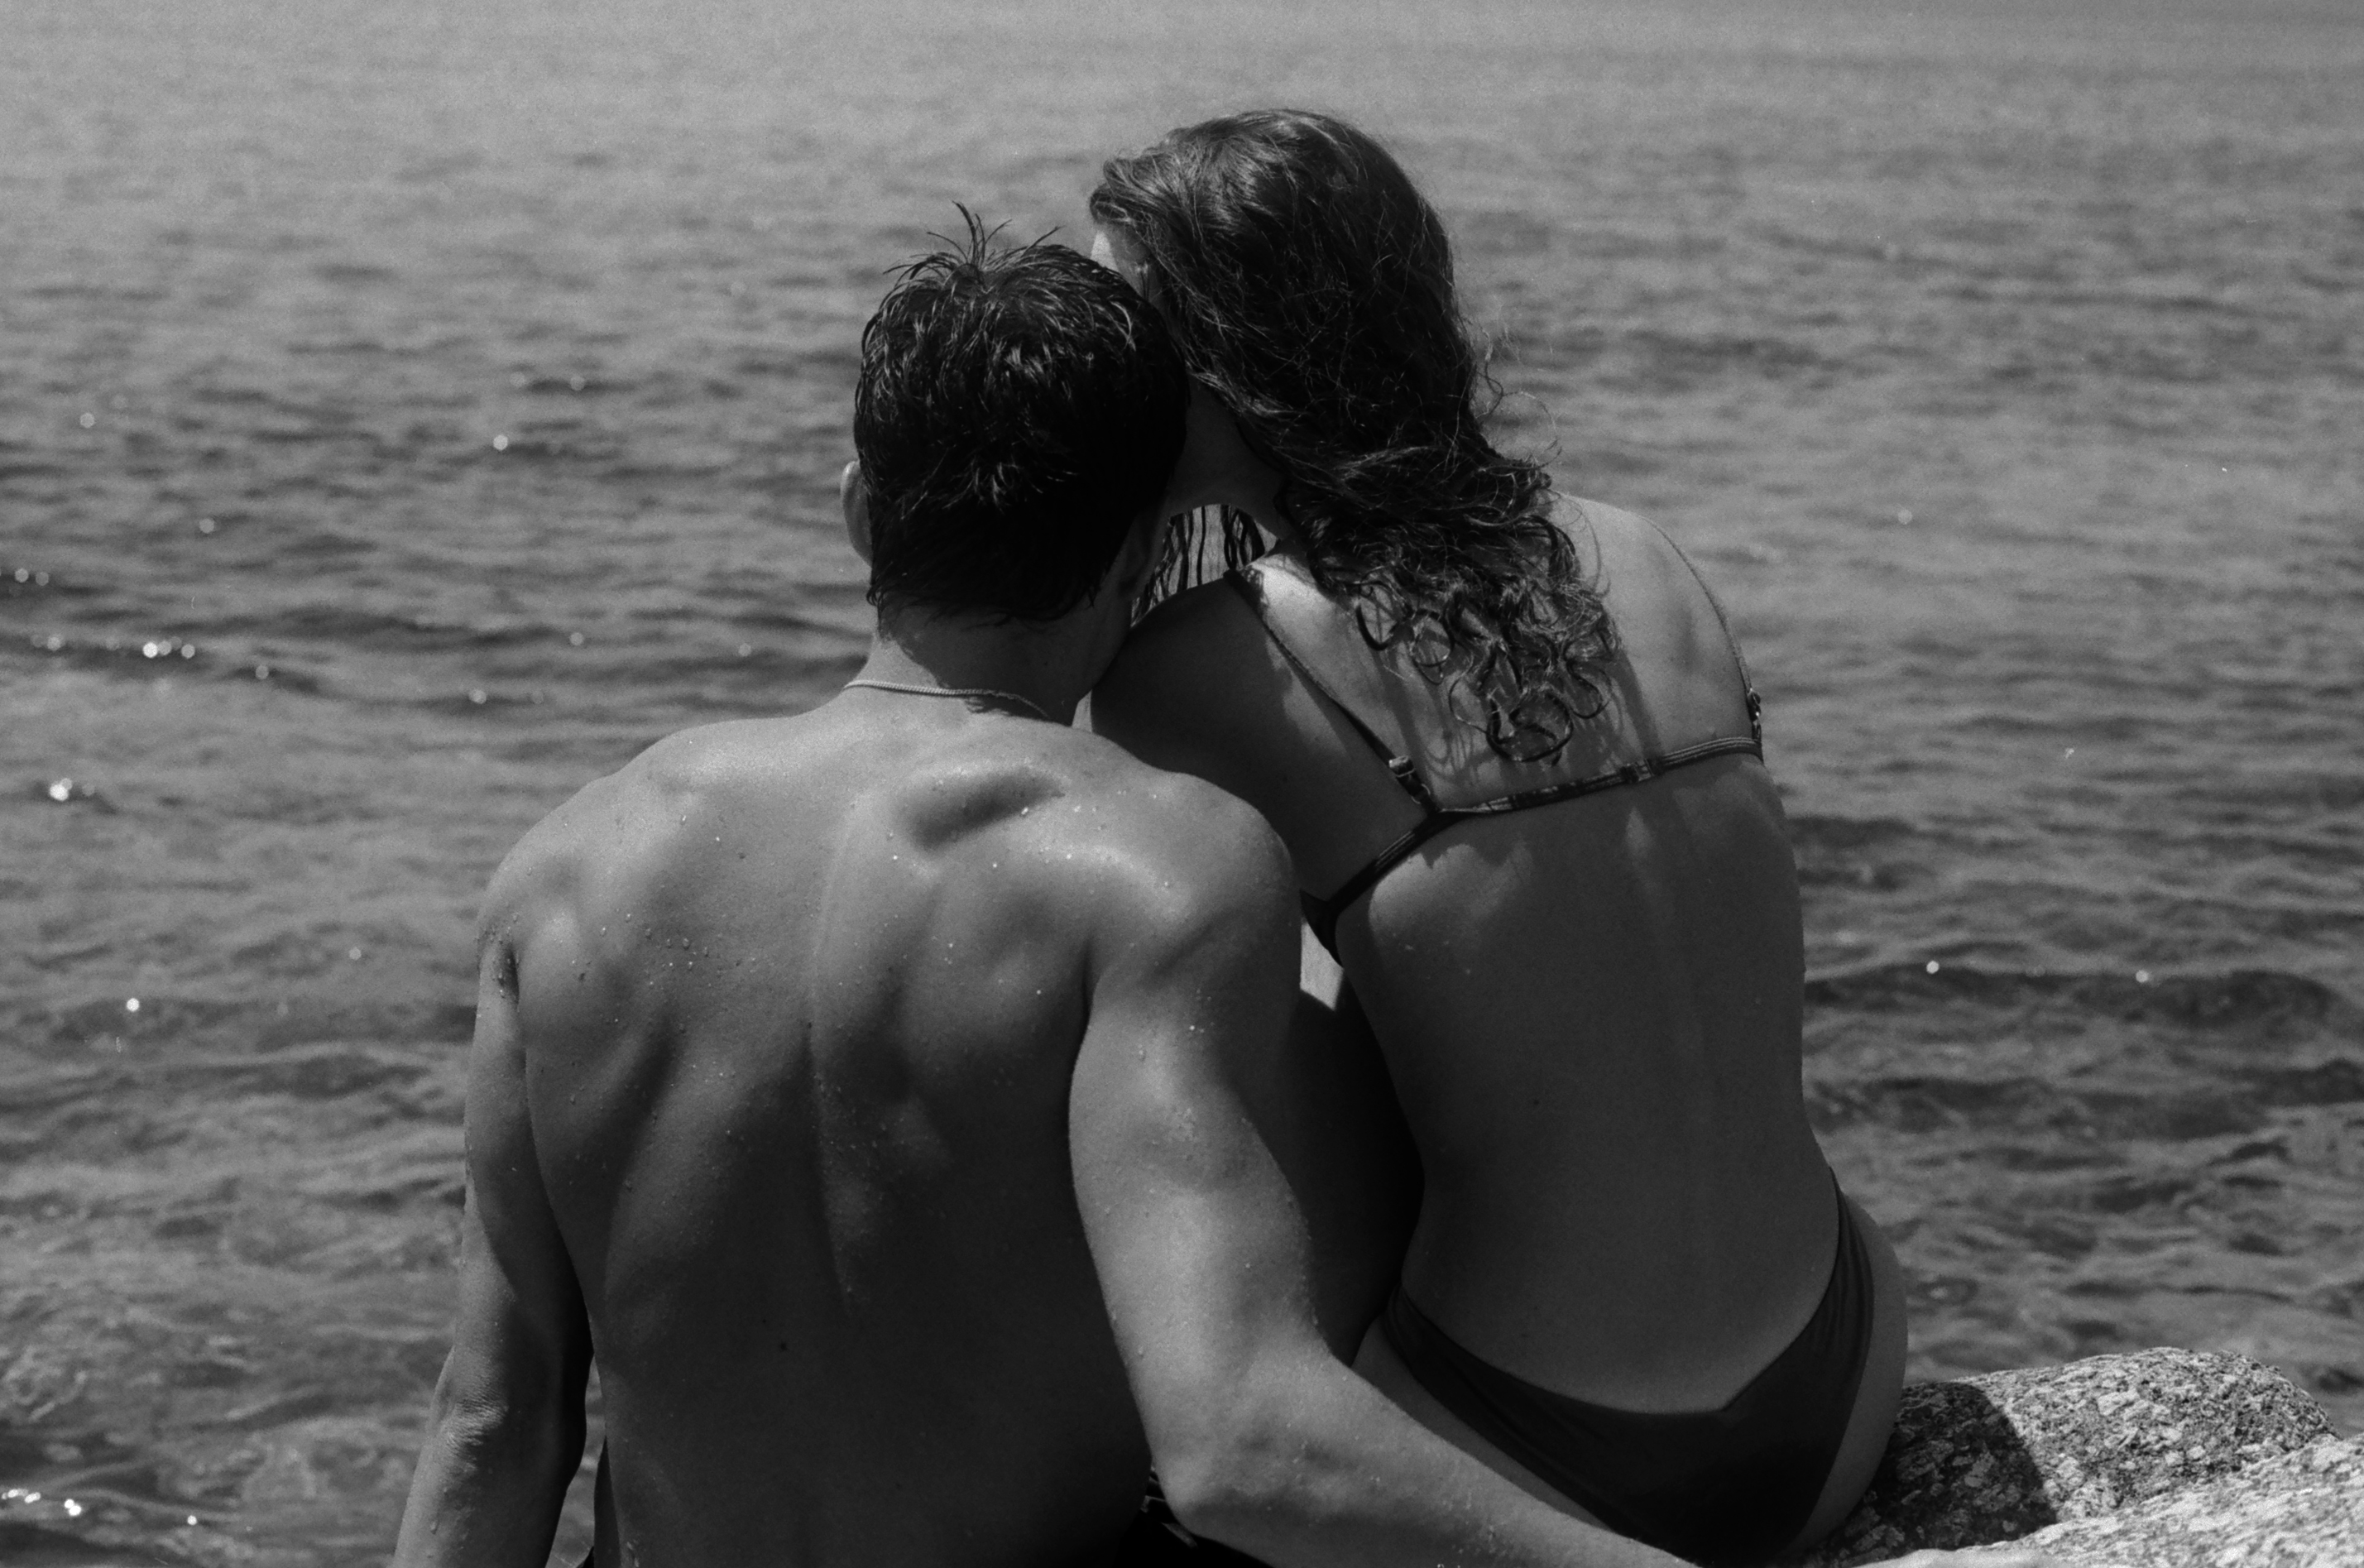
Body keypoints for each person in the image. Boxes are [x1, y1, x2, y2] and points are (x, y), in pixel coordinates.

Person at [389, 220, 1721, 1568]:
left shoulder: (562, 873)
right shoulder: (1155, 868)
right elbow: (1241, 1446)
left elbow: (492, 1427)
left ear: (860, 511)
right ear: (1143, 554)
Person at [1084, 110, 1905, 1566]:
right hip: (1837, 1372)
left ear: (1223, 355)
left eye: (1121, 332)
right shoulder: (1642, 555)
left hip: (1520, 1437)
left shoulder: (1196, 669)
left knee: (1141, 1052)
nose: (1099, 376)